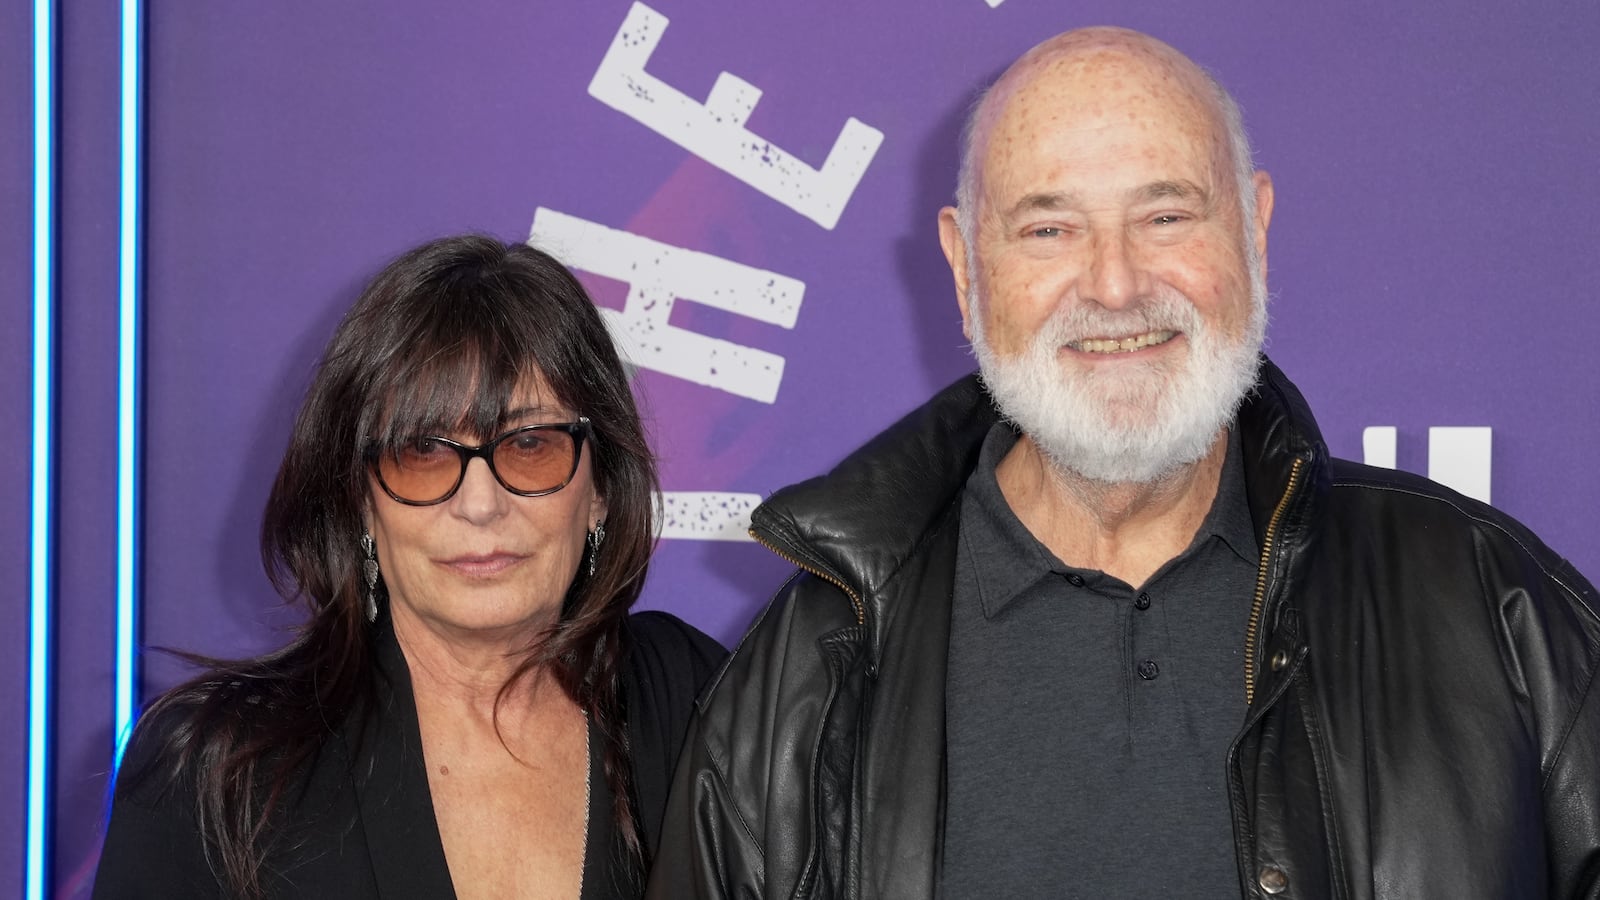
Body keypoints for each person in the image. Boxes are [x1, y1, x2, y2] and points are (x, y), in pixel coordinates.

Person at [647, 26, 1600, 900]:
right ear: (964, 266)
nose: (1114, 284)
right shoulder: (813, 667)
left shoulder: (1488, 599)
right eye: (1049, 229)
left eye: (1167, 216)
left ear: (1255, 231)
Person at [94, 236, 724, 899]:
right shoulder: (217, 768)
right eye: (421, 452)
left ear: (598, 490)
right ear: (361, 500)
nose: (480, 504)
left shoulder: (693, 704)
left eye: (531, 446)